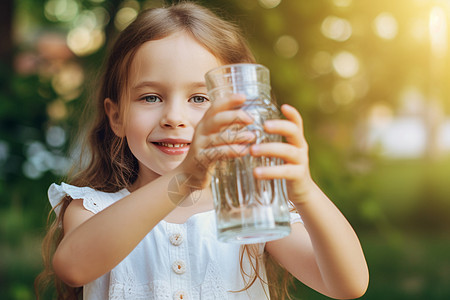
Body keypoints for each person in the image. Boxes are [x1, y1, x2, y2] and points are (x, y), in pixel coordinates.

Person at [35, 2, 369, 299]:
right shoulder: (92, 208)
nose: (175, 118)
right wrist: (184, 178)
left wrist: (306, 192)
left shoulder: (248, 210)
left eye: (199, 98)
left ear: (239, 113)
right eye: (151, 97)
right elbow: (73, 267)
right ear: (116, 117)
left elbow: (347, 285)